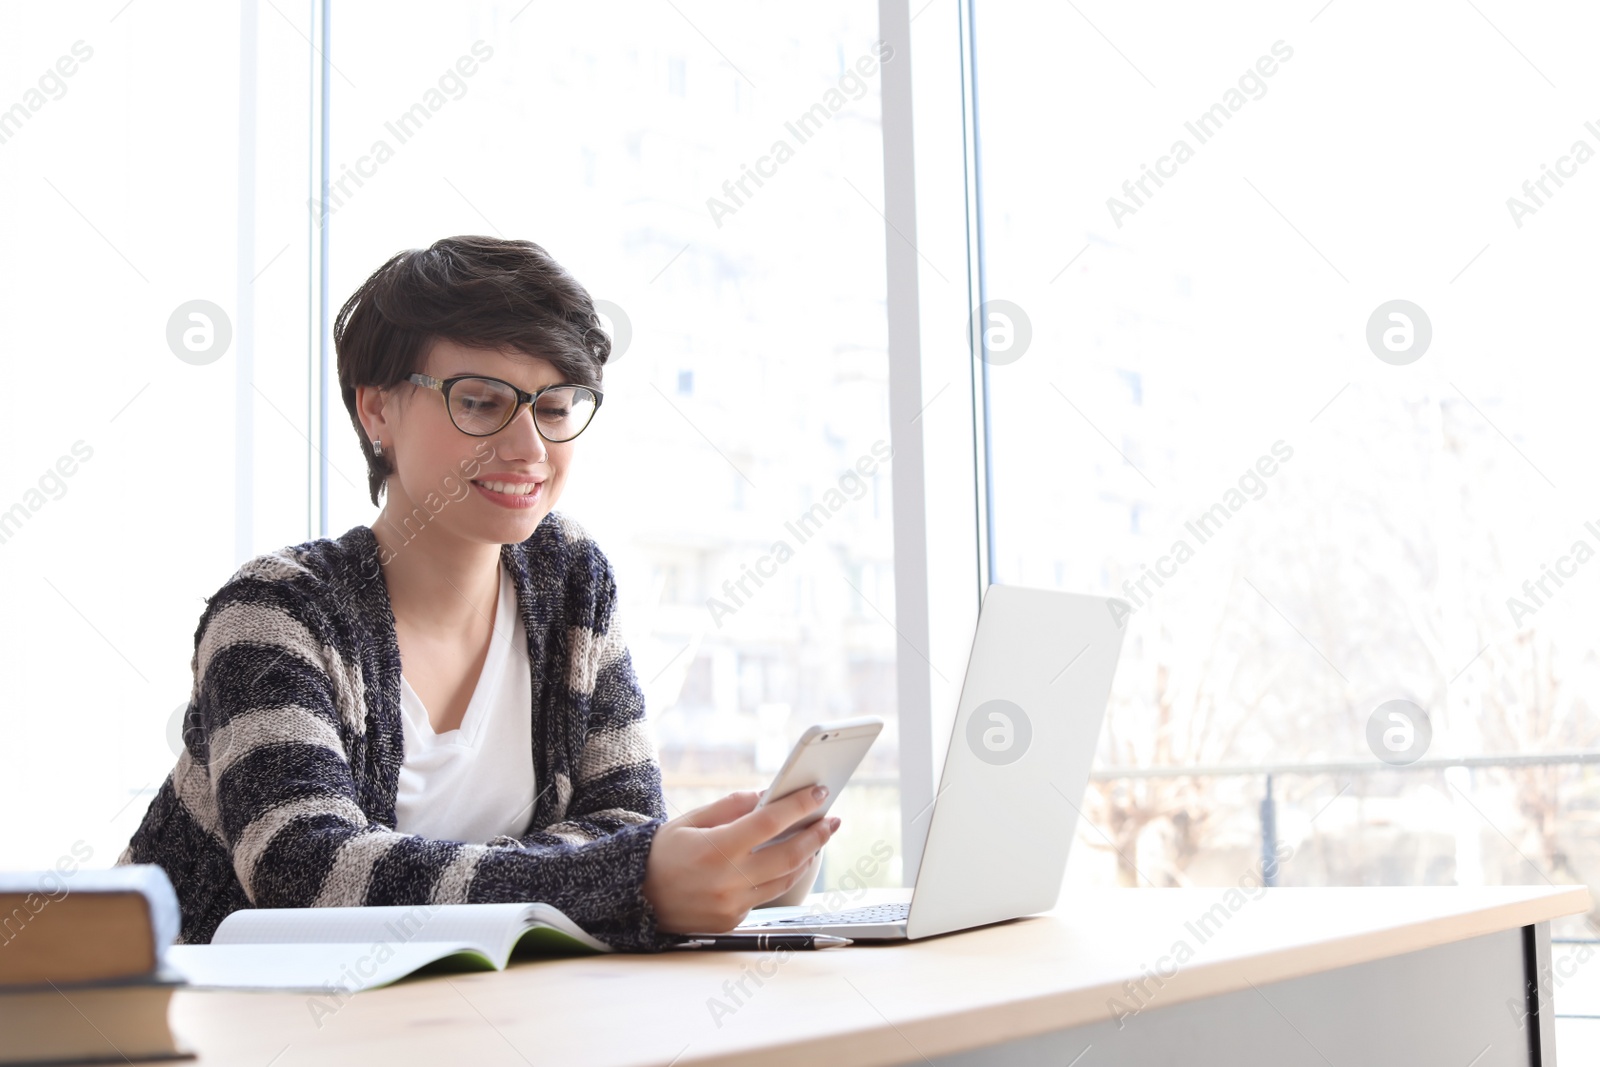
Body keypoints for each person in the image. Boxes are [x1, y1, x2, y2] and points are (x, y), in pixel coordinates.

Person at [116, 235, 834, 948]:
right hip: (184, 1033)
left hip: (442, 1017)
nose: (529, 448)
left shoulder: (570, 579)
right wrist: (626, 879)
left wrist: (646, 866)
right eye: (483, 402)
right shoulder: (274, 613)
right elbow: (308, 873)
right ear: (376, 412)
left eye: (554, 408)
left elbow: (625, 822)